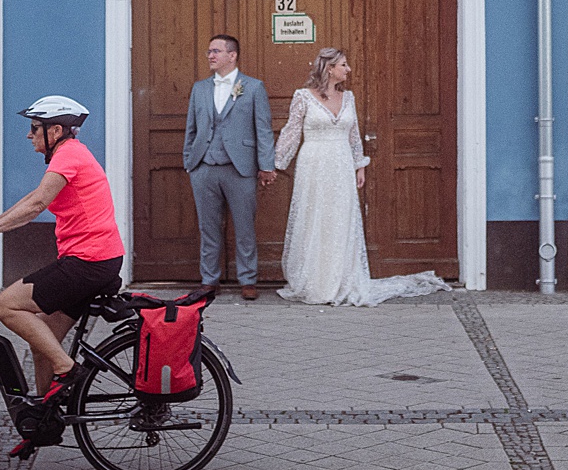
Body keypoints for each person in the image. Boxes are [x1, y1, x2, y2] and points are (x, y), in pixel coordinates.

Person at [0, 95, 124, 406]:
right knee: (43, 341)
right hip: (98, 261)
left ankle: (66, 368)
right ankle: (45, 416)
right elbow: (35, 196)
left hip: (88, 262)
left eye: (35, 128)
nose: (29, 134)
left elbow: (37, 206)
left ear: (56, 131)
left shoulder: (69, 156)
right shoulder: (69, 155)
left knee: (5, 306)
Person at [274, 49, 449, 306]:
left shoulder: (348, 98)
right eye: (343, 65)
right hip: (314, 163)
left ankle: (342, 278)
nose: (349, 69)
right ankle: (316, 281)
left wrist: (360, 166)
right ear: (329, 68)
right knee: (315, 218)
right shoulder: (303, 97)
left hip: (341, 163)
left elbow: (353, 135)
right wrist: (275, 164)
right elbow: (291, 131)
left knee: (341, 219)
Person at [183, 34, 276, 300]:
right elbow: (191, 128)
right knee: (208, 227)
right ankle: (209, 280)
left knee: (245, 226)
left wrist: (266, 165)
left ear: (232, 55)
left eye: (216, 51)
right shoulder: (199, 89)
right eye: (209, 51)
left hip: (241, 168)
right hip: (204, 167)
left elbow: (264, 130)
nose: (210, 56)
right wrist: (190, 160)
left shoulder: (253, 87)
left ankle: (248, 279)